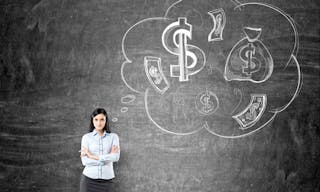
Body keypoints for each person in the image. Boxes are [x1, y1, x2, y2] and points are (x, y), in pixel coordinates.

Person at [79, 108, 120, 192]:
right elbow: (85, 161)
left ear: (106, 121)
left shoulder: (113, 137)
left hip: (107, 181)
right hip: (88, 180)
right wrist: (105, 160)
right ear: (92, 120)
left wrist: (91, 156)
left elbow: (116, 157)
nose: (99, 123)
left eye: (102, 119)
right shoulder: (86, 137)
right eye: (96, 119)